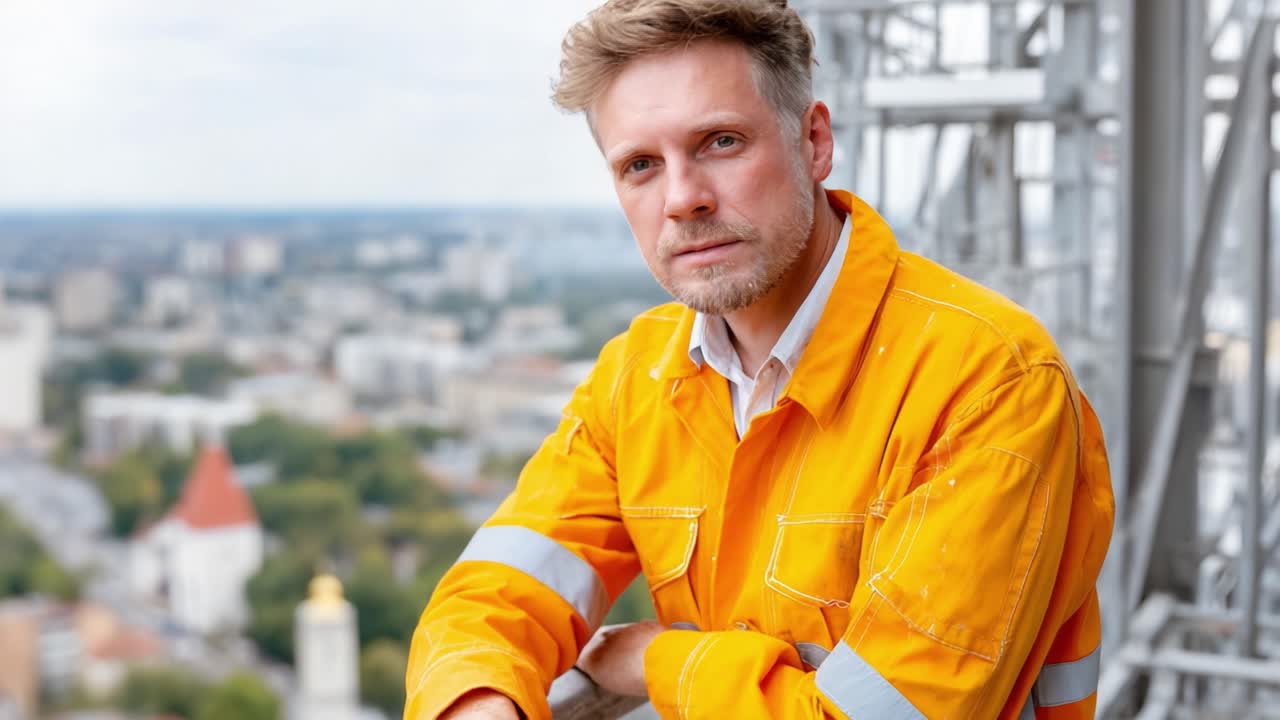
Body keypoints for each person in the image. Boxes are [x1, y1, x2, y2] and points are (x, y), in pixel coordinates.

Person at [405, 1, 1115, 718]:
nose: (682, 199)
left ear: (813, 142)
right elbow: (495, 593)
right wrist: (480, 699)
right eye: (641, 165)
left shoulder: (987, 381)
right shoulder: (640, 376)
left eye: (719, 142)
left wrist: (658, 661)